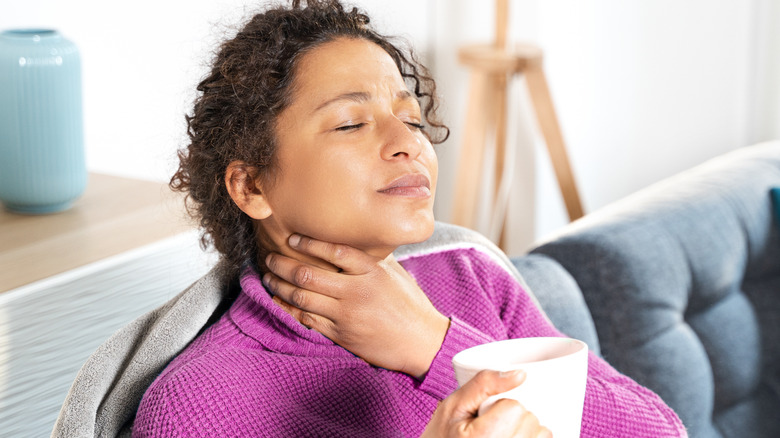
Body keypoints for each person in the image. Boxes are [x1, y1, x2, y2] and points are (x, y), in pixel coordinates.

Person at [132, 1, 688, 437]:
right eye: (351, 123)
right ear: (251, 185)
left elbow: (662, 432)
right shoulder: (200, 403)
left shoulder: (470, 277)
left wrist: (431, 343)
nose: (408, 144)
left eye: (411, 117)